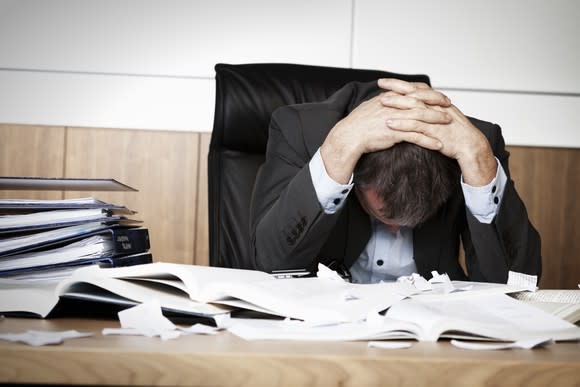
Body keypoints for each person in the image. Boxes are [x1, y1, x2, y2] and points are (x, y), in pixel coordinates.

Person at [249, 78, 541, 284]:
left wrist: (479, 163)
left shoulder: (472, 146)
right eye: (382, 214)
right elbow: (271, 265)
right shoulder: (301, 131)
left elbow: (517, 285)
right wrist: (336, 152)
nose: (395, 228)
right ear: (357, 182)